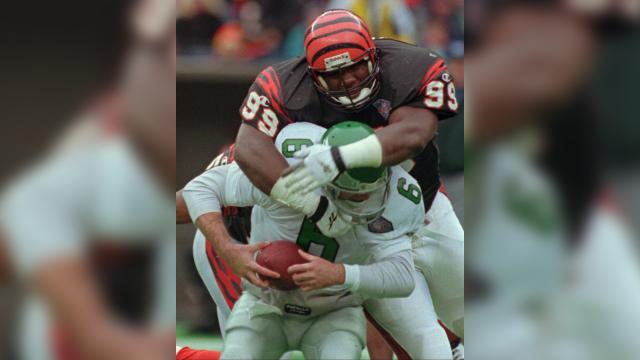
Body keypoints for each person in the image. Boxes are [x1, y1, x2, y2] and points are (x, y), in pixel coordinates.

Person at [229, 7, 464, 348]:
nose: (349, 80)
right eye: (335, 75)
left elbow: (415, 133)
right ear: (312, 75)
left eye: (357, 66)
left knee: (468, 311)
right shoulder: (284, 86)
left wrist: (343, 156)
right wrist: (312, 203)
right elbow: (249, 149)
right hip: (360, 236)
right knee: (426, 342)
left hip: (422, 210)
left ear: (374, 57)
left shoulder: (409, 67)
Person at [184, 121, 452, 359]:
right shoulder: (276, 164)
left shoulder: (396, 192)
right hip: (247, 250)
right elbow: (192, 195)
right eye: (355, 194)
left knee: (422, 335)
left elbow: (396, 279)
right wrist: (227, 247)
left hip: (338, 288)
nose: (366, 200)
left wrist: (339, 274)